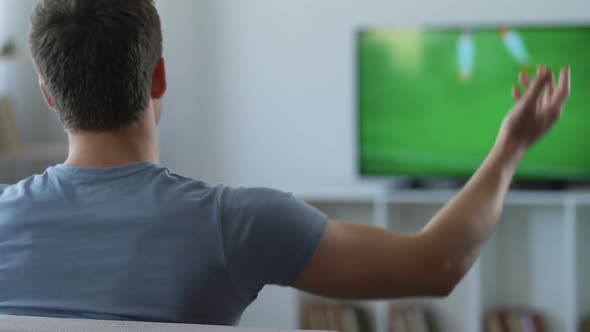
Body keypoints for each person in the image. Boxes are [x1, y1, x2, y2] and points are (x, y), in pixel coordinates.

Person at [0, 0, 570, 326]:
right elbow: (435, 265)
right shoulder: (235, 223)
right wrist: (511, 146)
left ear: (48, 94)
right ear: (159, 76)